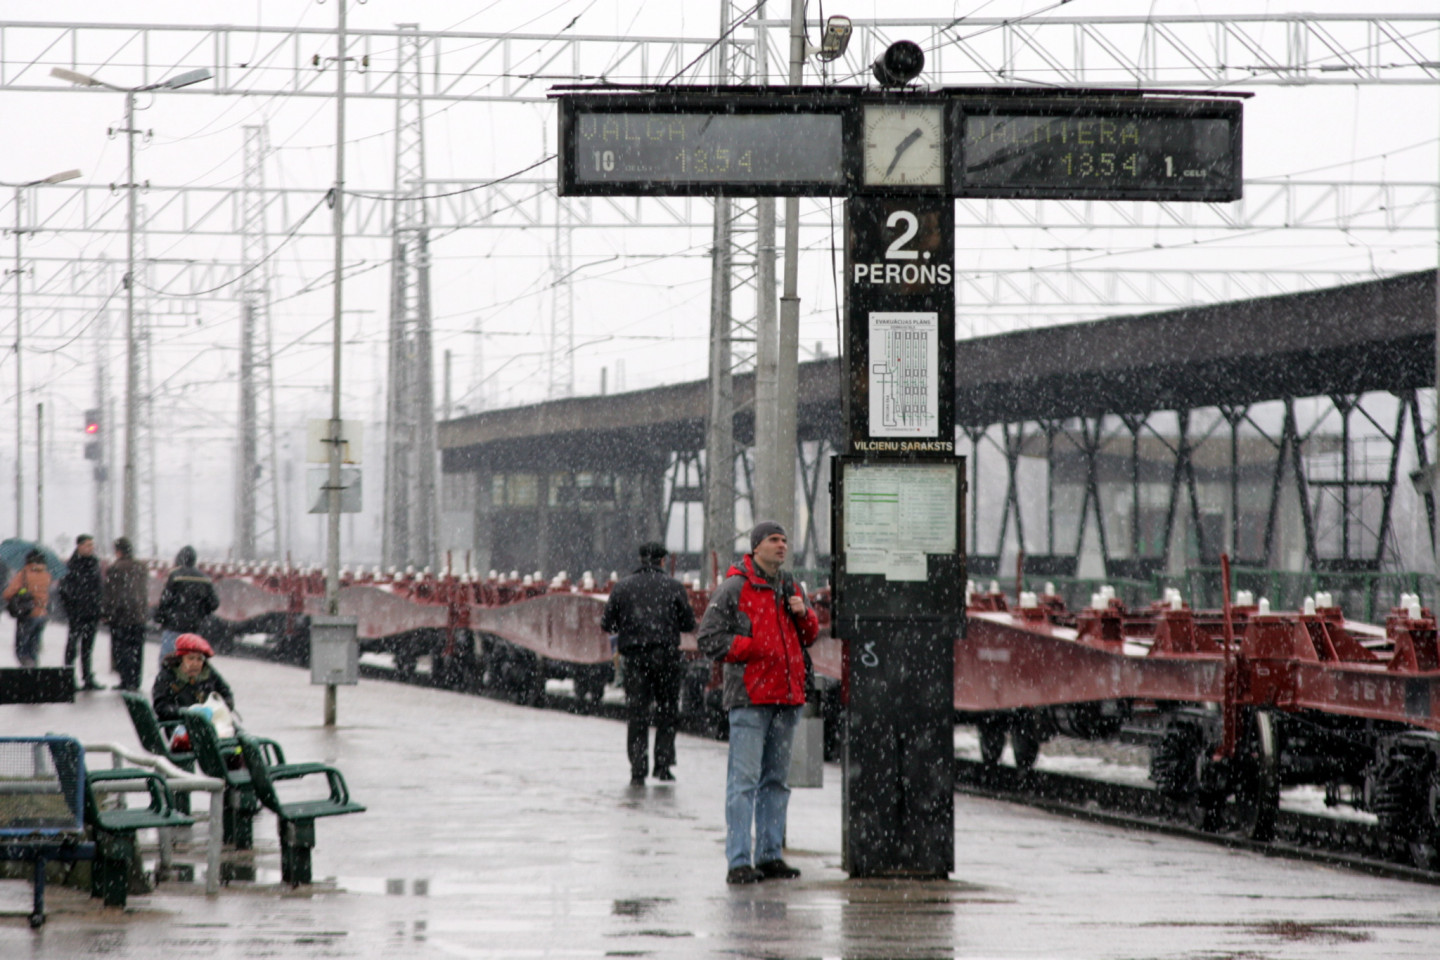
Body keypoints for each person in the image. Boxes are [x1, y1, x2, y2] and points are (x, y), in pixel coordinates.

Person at [698, 521, 819, 885]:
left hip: (788, 697)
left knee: (777, 782)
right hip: (750, 699)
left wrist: (804, 614)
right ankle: (738, 861)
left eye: (784, 539)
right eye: (773, 540)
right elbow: (708, 637)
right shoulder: (735, 588)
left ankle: (770, 856)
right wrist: (752, 649)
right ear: (756, 548)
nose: (782, 545)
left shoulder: (791, 586)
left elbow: (810, 636)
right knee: (744, 782)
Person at [601, 540, 697, 786]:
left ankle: (637, 769)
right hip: (666, 658)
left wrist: (629, 629)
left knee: (637, 712)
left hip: (634, 658)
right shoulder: (674, 587)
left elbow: (607, 624)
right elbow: (688, 624)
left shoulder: (623, 587)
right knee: (667, 710)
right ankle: (663, 766)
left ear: (642, 559)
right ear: (663, 561)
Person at [102, 537, 150, 691]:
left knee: (122, 650)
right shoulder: (141, 567)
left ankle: (125, 680)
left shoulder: (115, 568)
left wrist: (108, 613)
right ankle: (136, 681)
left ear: (118, 551)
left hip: (121, 617)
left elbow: (112, 595)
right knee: (137, 650)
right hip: (139, 616)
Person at [58, 534, 106, 690]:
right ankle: (68, 677)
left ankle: (87, 677)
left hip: (91, 612)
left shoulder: (94, 564)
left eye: (92, 545)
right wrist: (72, 608)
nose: (91, 548)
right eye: (87, 545)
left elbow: (99, 588)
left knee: (87, 646)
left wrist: (98, 606)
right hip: (77, 612)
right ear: (79, 546)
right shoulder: (71, 565)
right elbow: (64, 589)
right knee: (72, 645)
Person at [152, 633, 234, 721]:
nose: (195, 663)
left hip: (209, 723)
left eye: (199, 659)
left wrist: (217, 709)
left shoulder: (208, 672)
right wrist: (186, 712)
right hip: (180, 725)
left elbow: (226, 694)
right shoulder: (168, 675)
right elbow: (161, 707)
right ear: (181, 659)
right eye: (190, 658)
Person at [154, 545, 218, 659]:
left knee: (167, 662)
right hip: (194, 628)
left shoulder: (175, 576)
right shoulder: (204, 578)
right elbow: (214, 603)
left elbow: (165, 601)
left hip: (173, 627)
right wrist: (202, 613)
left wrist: (160, 618)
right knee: (190, 662)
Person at [4, 549, 52, 667]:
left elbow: (8, 593)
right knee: (34, 646)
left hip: (27, 613)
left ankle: (26, 671)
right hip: (42, 614)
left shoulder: (24, 574)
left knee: (22, 647)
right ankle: (34, 671)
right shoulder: (47, 575)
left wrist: (21, 591)